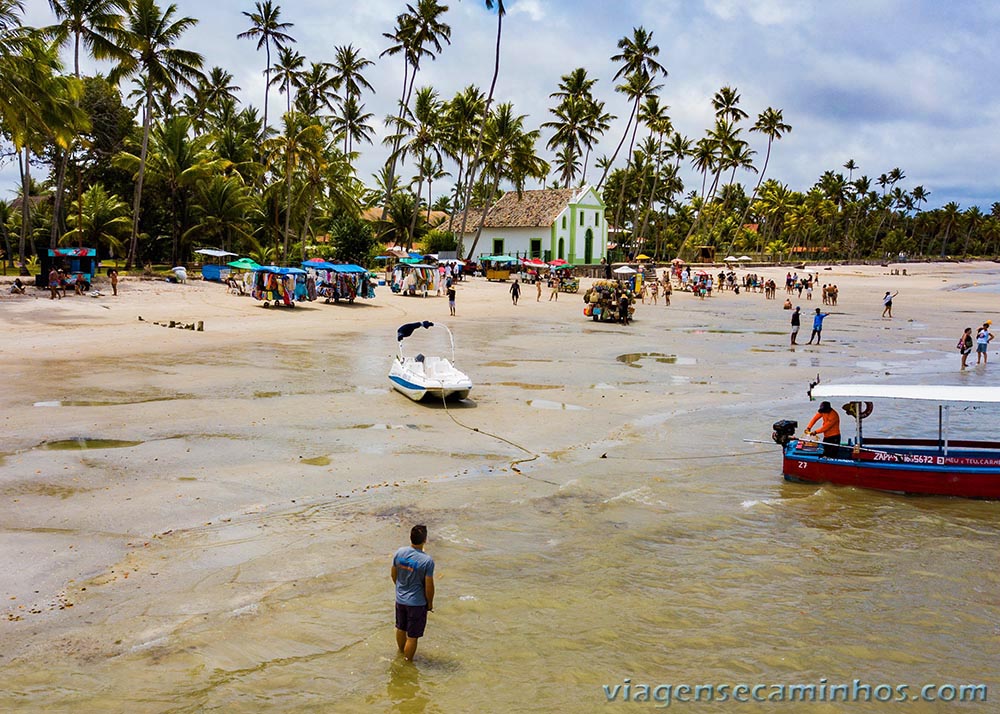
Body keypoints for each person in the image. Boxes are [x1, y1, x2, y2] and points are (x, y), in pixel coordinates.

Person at [391, 525, 435, 662]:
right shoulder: (427, 561)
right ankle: (407, 662)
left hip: (400, 599)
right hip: (416, 603)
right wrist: (430, 603)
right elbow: (429, 586)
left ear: (410, 537)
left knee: (400, 627)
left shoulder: (399, 553)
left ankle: (400, 652)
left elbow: (393, 575)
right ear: (425, 539)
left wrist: (401, 589)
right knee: (412, 636)